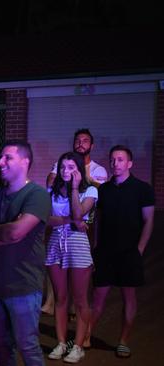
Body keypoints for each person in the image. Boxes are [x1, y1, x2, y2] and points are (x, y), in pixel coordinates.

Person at [0, 140, 51, 366]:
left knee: (28, 347)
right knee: (1, 347)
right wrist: (5, 232)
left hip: (23, 285)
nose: (0, 162)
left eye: (7, 157)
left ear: (25, 161)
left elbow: (15, 232)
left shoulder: (37, 195)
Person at [87, 145, 155, 359]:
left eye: (120, 160)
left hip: (129, 253)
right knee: (98, 298)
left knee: (129, 297)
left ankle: (123, 341)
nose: (115, 163)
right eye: (113, 160)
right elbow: (98, 220)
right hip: (105, 252)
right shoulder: (104, 189)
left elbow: (148, 221)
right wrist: (96, 246)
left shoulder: (142, 189)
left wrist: (140, 249)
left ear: (129, 163)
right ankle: (85, 336)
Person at [45, 152, 97, 363]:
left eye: (71, 167)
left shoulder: (90, 190)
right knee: (60, 297)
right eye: (63, 167)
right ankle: (60, 342)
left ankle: (78, 345)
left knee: (80, 299)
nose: (66, 171)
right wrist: (69, 221)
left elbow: (79, 214)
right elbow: (47, 219)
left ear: (78, 169)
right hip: (56, 243)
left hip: (77, 244)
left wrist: (75, 188)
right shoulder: (52, 191)